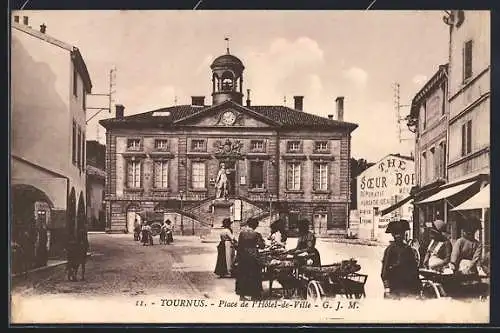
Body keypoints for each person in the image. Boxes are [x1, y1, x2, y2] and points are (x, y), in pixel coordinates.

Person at [381, 219, 420, 299]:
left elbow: (414, 268)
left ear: (404, 234)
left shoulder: (408, 249)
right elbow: (384, 271)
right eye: (396, 233)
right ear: (392, 235)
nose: (398, 236)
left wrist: (417, 287)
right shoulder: (390, 249)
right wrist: (387, 289)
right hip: (395, 286)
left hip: (409, 287)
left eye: (400, 233)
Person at [235, 217, 266, 301]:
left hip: (243, 255)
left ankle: (242, 295)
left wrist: (237, 258)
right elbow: (262, 245)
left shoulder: (242, 233)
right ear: (255, 225)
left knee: (243, 275)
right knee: (254, 275)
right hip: (253, 255)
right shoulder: (256, 234)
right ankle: (254, 295)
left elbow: (239, 246)